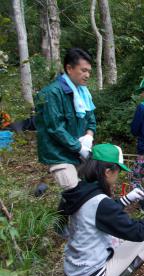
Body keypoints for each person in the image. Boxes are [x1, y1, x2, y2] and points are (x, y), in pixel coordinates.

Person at [59, 143, 144, 276]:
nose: (118, 177)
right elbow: (139, 232)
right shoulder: (101, 203)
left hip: (73, 270)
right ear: (108, 172)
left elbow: (98, 213)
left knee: (117, 238)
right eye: (118, 171)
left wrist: (125, 199)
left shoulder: (79, 189)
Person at [34, 48, 96, 190]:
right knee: (74, 189)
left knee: (92, 186)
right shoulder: (52, 93)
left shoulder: (83, 92)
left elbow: (90, 118)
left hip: (78, 151)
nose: (87, 75)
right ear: (69, 68)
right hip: (58, 153)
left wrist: (89, 135)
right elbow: (55, 128)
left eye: (89, 71)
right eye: (83, 70)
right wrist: (79, 147)